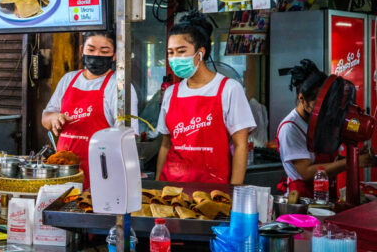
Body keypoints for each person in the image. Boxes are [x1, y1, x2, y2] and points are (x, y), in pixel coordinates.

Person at [155, 12, 256, 184]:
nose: (174, 58)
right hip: (171, 188)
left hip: (213, 189)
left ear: (200, 53)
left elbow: (241, 145)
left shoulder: (229, 89)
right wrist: (158, 185)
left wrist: (233, 190)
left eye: (181, 51)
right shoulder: (171, 93)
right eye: (170, 53)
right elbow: (166, 144)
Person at [42, 30, 139, 188]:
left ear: (114, 55)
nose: (97, 55)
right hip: (63, 172)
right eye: (91, 49)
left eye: (104, 51)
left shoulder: (119, 87)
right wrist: (52, 117)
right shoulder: (68, 80)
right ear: (82, 51)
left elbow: (127, 137)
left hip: (102, 173)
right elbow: (45, 118)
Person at [277, 60, 376, 197]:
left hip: (328, 195)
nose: (322, 109)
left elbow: (332, 159)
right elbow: (306, 172)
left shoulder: (323, 121)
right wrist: (352, 162)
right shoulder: (290, 128)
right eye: (316, 103)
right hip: (303, 201)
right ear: (302, 99)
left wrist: (356, 157)